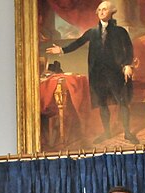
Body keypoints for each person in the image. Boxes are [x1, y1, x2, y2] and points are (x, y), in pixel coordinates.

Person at [45, 1, 138, 144]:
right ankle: (106, 132)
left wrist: (127, 65)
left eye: (104, 9)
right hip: (98, 74)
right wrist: (62, 50)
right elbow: (78, 43)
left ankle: (127, 132)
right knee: (102, 103)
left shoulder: (120, 31)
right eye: (99, 9)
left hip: (116, 72)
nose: (101, 12)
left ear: (111, 12)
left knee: (123, 102)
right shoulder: (92, 32)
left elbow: (129, 49)